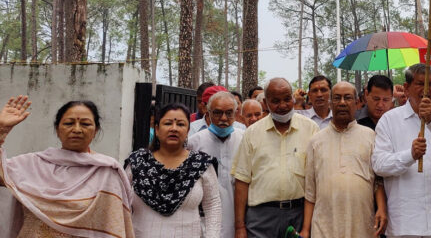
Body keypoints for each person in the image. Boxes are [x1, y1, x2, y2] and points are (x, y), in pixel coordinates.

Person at [0, 97, 135, 238]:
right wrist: (1, 129)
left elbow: (113, 226)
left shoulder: (107, 172)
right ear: (57, 130)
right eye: (69, 123)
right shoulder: (31, 165)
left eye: (85, 124)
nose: (77, 129)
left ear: (96, 130)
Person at [373, 63, 431, 237]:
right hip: (406, 223)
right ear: (407, 88)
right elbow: (379, 165)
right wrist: (410, 155)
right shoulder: (389, 120)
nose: (427, 89)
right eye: (420, 83)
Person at [299, 82, 388, 238]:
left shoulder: (371, 136)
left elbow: (378, 182)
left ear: (357, 102)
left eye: (347, 98)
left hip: (362, 224)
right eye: (337, 98)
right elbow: (310, 191)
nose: (342, 103)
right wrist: (306, 230)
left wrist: (381, 208)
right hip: (324, 226)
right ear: (330, 103)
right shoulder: (316, 141)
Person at [233, 78, 319, 238]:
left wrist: (307, 226)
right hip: (260, 219)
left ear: (293, 98)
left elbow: (315, 180)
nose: (283, 105)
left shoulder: (311, 129)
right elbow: (242, 181)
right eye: (275, 101)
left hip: (298, 216)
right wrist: (239, 227)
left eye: (287, 99)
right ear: (265, 102)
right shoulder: (252, 133)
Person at [126, 102, 221, 237]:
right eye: (168, 123)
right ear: (157, 129)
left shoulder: (201, 164)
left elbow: (213, 206)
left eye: (181, 124)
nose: (174, 128)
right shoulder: (137, 162)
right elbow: (121, 205)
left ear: (188, 130)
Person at [188, 91, 244, 238]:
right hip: (203, 221)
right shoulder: (194, 142)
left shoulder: (244, 139)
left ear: (236, 113)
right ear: (208, 112)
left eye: (229, 113)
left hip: (237, 220)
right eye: (218, 113)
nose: (223, 118)